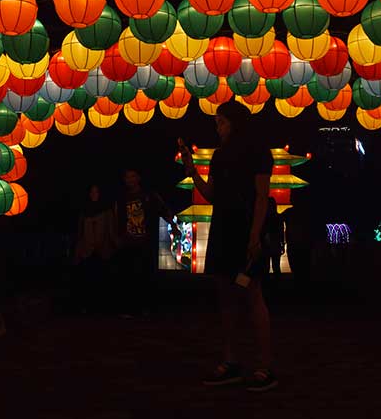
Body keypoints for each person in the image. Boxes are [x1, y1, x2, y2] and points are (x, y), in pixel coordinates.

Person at [178, 100, 278, 393]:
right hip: (223, 228)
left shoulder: (258, 153)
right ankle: (231, 360)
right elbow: (211, 195)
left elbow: (262, 197)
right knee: (226, 295)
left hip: (246, 230)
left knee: (253, 294)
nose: (218, 127)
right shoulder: (219, 155)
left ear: (235, 122)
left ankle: (264, 366)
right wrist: (192, 171)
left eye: (221, 121)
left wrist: (255, 235)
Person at [114, 168, 179, 317]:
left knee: (146, 275)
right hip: (129, 242)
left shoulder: (149, 195)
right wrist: (117, 237)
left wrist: (174, 225)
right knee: (130, 276)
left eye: (132, 176)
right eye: (127, 177)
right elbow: (117, 218)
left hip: (146, 242)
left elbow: (163, 209)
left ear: (138, 178)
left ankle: (146, 308)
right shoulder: (122, 198)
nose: (130, 180)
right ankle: (131, 308)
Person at [72, 184, 119, 314]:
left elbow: (111, 230)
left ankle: (101, 307)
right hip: (87, 250)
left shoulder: (107, 211)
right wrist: (78, 250)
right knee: (88, 279)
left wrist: (115, 245)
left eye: (96, 192)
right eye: (92, 192)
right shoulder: (84, 211)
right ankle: (87, 307)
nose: (94, 194)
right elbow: (80, 232)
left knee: (102, 279)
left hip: (103, 250)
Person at [263, 197, 284, 279]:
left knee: (265, 268)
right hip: (276, 244)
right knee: (276, 267)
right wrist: (282, 244)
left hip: (266, 245)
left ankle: (266, 284)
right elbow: (281, 232)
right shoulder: (278, 217)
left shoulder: (264, 218)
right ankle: (277, 283)